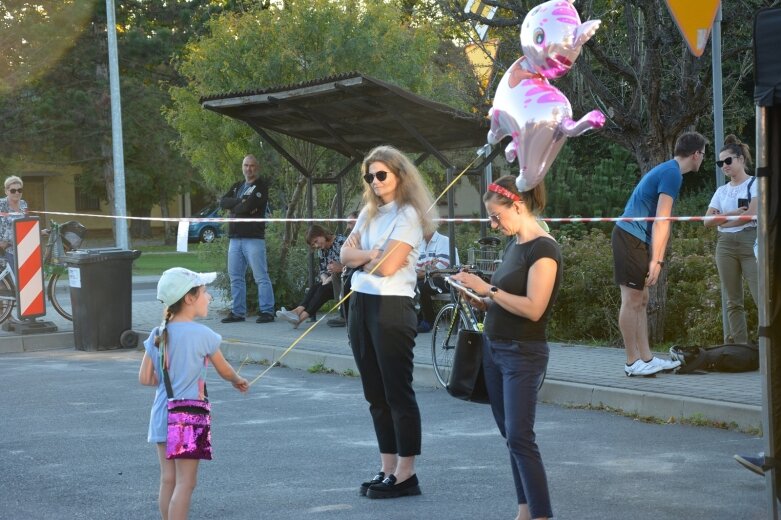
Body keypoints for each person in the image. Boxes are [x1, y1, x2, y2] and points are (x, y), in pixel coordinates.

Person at [451, 176, 561, 520]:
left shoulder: (543, 248)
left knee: (520, 436)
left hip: (522, 352)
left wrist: (487, 290)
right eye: (490, 218)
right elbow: (503, 301)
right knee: (510, 437)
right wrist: (476, 297)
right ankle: (524, 510)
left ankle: (540, 514)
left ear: (518, 206)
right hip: (494, 347)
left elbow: (533, 308)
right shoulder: (515, 245)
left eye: (497, 216)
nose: (494, 225)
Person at [340, 145, 434, 499]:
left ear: (398, 175)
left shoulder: (409, 214)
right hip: (361, 303)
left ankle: (407, 473)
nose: (375, 181)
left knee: (397, 392)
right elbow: (344, 255)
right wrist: (369, 256)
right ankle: (387, 467)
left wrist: (362, 259)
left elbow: (390, 267)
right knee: (374, 394)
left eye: (381, 174)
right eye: (370, 176)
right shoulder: (368, 212)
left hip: (392, 306)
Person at [138, 267, 249, 520]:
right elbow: (225, 370)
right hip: (188, 415)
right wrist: (238, 380)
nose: (208, 297)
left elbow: (146, 378)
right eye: (204, 292)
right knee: (186, 483)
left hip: (161, 413)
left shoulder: (157, 334)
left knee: (168, 480)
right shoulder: (204, 335)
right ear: (189, 299)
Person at [612, 131, 708, 377]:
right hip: (629, 237)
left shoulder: (671, 171)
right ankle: (632, 362)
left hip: (638, 239)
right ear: (696, 154)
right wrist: (657, 260)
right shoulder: (672, 173)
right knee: (632, 300)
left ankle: (647, 358)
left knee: (641, 300)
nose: (703, 159)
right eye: (704, 154)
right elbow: (662, 220)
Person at [704, 135, 758, 345]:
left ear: (741, 159)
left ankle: (770, 347)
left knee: (760, 296)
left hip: (750, 241)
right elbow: (707, 221)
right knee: (732, 300)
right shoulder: (721, 191)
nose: (724, 166)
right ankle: (740, 348)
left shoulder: (755, 183)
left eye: (728, 161)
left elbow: (750, 215)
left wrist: (723, 221)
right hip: (725, 245)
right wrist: (733, 213)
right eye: (720, 163)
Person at [220, 154, 275, 324]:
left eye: (252, 165)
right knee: (235, 277)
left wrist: (236, 207)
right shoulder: (237, 186)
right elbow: (223, 202)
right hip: (235, 239)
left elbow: (249, 206)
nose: (248, 168)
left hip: (253, 238)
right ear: (242, 167)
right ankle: (238, 312)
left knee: (261, 276)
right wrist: (240, 202)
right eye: (246, 165)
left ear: (256, 168)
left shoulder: (261, 187)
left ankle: (267, 311)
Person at [277, 225, 345, 328]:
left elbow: (352, 264)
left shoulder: (341, 241)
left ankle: (298, 319)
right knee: (315, 287)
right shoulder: (321, 251)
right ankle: (297, 312)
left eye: (316, 241)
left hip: (345, 280)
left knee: (322, 290)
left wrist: (334, 274)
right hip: (332, 282)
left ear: (322, 234)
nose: (316, 245)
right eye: (313, 244)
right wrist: (324, 279)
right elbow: (323, 270)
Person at [415, 230, 459, 333]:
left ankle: (428, 321)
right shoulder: (421, 244)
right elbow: (416, 270)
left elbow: (438, 270)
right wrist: (428, 268)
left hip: (448, 279)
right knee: (411, 283)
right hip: (431, 278)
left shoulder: (443, 241)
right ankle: (418, 319)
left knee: (421, 286)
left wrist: (427, 269)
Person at [328, 210, 360, 328]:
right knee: (336, 274)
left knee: (345, 274)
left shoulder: (366, 234)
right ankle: (342, 311)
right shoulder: (352, 237)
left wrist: (342, 267)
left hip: (366, 267)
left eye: (350, 223)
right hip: (354, 266)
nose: (348, 227)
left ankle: (345, 313)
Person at [0, 176, 28, 268]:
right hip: (4, 249)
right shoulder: (1, 204)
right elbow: (4, 225)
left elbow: (26, 223)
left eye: (19, 190)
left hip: (21, 247)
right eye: (13, 190)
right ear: (6, 191)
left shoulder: (23, 204)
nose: (17, 193)